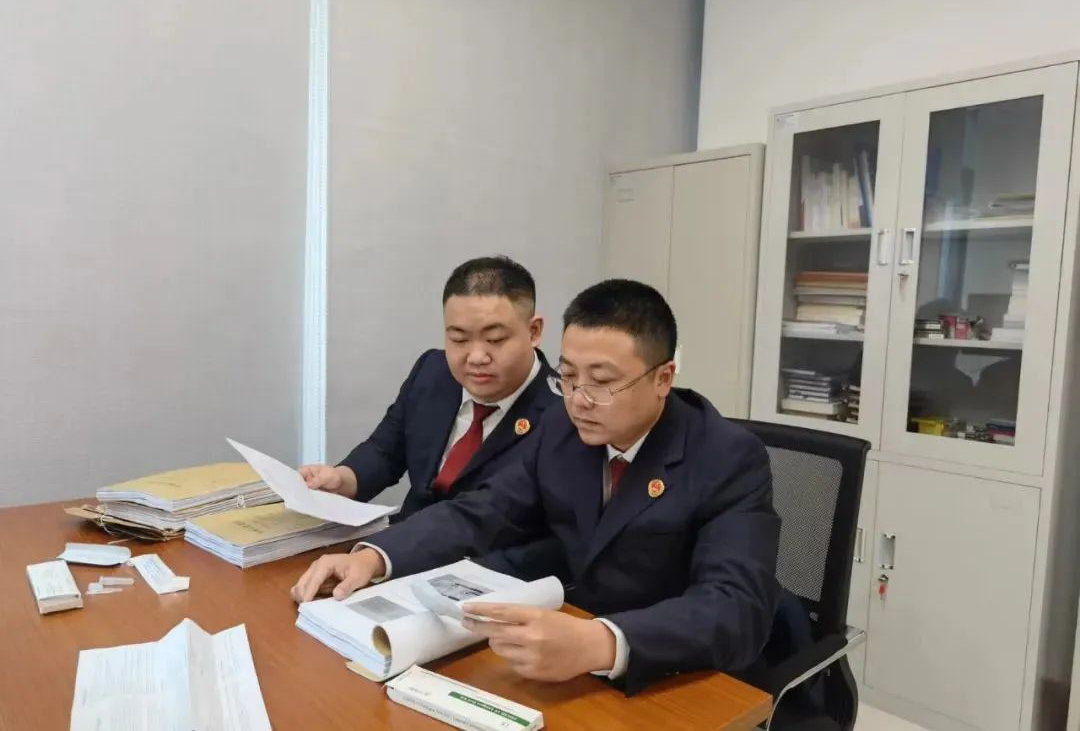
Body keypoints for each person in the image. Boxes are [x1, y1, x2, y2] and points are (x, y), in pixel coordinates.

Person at [292, 279, 780, 694]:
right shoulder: (562, 431)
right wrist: (373, 558)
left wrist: (602, 641)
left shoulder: (727, 457)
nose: (579, 399)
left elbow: (736, 606)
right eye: (568, 376)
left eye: (602, 382)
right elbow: (484, 510)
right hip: (568, 651)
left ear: (663, 378)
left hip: (676, 671)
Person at [299, 256, 559, 536]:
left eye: (495, 339)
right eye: (459, 339)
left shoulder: (563, 413)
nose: (476, 357)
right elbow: (385, 451)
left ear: (533, 331)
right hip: (399, 545)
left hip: (484, 557)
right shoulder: (433, 372)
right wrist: (342, 479)